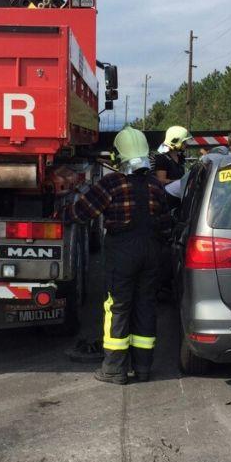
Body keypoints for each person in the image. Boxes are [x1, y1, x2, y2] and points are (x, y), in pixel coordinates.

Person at [67, 126, 171, 384]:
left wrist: (63, 213)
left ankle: (114, 369)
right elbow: (166, 222)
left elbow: (81, 214)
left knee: (118, 307)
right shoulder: (155, 186)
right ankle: (143, 368)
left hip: (122, 253)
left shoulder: (111, 183)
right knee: (145, 305)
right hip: (151, 251)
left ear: (118, 155)